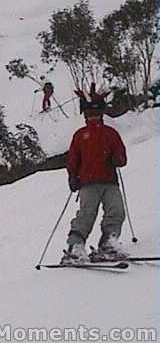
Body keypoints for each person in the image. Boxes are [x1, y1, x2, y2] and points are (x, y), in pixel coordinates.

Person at [62, 92, 128, 264]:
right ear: (86, 114)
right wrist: (72, 177)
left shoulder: (110, 133)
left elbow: (121, 155)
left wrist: (118, 159)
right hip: (88, 182)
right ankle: (75, 247)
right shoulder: (80, 135)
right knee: (86, 214)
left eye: (96, 112)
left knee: (117, 211)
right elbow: (73, 160)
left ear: (101, 113)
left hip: (109, 181)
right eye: (90, 113)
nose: (93, 116)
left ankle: (108, 243)